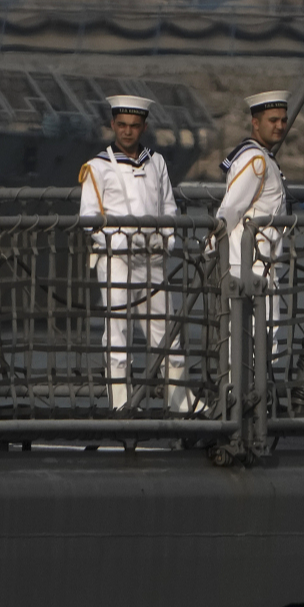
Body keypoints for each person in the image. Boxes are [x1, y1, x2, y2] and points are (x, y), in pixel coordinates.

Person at [78, 94, 190, 412]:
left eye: (134, 126)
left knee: (166, 328)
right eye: (122, 125)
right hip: (117, 260)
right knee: (117, 330)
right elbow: (89, 217)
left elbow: (168, 205)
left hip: (152, 259)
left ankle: (179, 399)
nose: (127, 132)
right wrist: (116, 243)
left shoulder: (156, 162)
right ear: (113, 125)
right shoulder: (98, 167)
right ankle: (121, 402)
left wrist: (166, 241)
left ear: (144, 127)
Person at [216, 91, 291, 330]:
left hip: (259, 260)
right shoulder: (255, 159)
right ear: (255, 123)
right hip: (251, 263)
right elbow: (231, 208)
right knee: (263, 343)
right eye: (273, 120)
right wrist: (211, 246)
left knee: (255, 341)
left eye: (283, 120)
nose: (280, 126)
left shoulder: (261, 156)